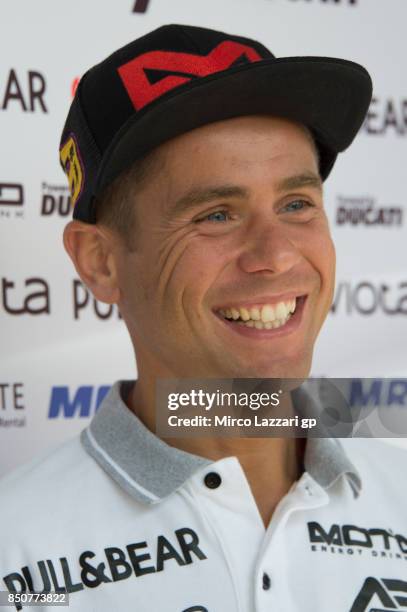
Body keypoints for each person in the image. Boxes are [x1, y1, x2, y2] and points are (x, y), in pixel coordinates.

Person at [1, 23, 407, 612]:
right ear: (101, 262)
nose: (277, 255)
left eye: (296, 204)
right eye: (216, 215)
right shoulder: (17, 559)